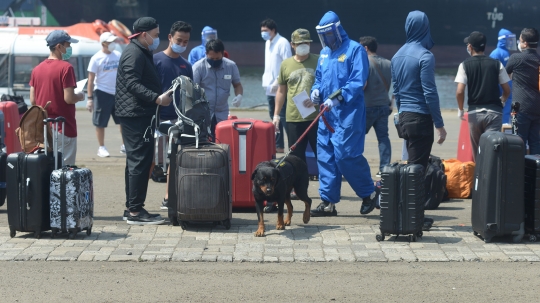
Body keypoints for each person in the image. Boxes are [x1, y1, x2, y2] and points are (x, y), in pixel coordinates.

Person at [309, 11, 380, 217]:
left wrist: (337, 98)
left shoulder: (355, 50)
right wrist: (316, 90)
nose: (327, 39)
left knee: (345, 155)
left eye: (329, 34)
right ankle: (328, 202)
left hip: (348, 114)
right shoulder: (324, 54)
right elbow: (320, 78)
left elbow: (358, 81)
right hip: (326, 114)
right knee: (325, 157)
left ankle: (369, 193)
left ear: (337, 30)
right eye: (323, 35)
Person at [115, 17, 173, 225]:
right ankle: (135, 211)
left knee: (136, 161)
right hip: (135, 114)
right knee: (140, 161)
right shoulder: (134, 52)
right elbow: (131, 83)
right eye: (156, 35)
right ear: (143, 34)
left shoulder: (139, 51)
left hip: (138, 112)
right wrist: (156, 98)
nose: (157, 39)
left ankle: (133, 207)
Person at [391, 10, 447, 171]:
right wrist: (439, 125)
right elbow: (429, 93)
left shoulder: (396, 57)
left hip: (405, 118)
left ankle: (406, 195)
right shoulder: (425, 56)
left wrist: (402, 115)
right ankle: (411, 197)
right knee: (416, 173)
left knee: (411, 168)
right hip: (420, 118)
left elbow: (397, 92)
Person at [29, 30, 85, 166]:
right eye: (68, 45)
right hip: (63, 126)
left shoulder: (37, 69)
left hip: (44, 127)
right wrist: (80, 96)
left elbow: (33, 100)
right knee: (64, 171)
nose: (69, 48)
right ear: (59, 47)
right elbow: (69, 98)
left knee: (47, 169)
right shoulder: (66, 68)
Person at [153, 21, 193, 210]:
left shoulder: (186, 65)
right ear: (169, 38)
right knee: (152, 161)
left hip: (178, 121)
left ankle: (169, 197)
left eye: (185, 42)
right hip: (157, 118)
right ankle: (137, 202)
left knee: (174, 159)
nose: (182, 44)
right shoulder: (156, 61)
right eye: (179, 40)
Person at [455, 31, 511, 161]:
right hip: (494, 113)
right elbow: (507, 90)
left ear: (470, 46)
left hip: (475, 114)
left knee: (477, 153)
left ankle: (479, 178)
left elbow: (459, 91)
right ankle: (491, 178)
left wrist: (460, 109)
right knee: (492, 151)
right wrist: (502, 101)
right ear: (484, 46)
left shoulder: (464, 65)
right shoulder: (497, 64)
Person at [193, 39, 243, 136]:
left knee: (222, 141)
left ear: (223, 54)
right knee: (204, 141)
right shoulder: (198, 67)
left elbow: (237, 85)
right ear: (206, 53)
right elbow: (192, 90)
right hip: (203, 113)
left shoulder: (231, 66)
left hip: (222, 112)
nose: (215, 61)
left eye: (218, 58)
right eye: (212, 58)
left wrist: (239, 96)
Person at [86, 32, 124, 158]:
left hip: (118, 92)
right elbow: (90, 80)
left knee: (123, 121)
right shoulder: (96, 58)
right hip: (102, 93)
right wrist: (90, 99)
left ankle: (125, 145)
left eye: (114, 41)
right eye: (110, 42)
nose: (113, 44)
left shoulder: (118, 55)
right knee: (100, 122)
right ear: (103, 44)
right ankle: (101, 147)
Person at [359, 36, 392, 177]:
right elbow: (396, 86)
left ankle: (357, 168)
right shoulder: (389, 63)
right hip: (384, 105)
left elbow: (363, 85)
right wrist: (392, 103)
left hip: (367, 107)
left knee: (358, 137)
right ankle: (384, 169)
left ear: (365, 48)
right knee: (383, 138)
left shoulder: (365, 62)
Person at [506, 27, 540, 154]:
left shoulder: (516, 58)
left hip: (520, 107)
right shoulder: (538, 59)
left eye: (520, 40)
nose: (519, 43)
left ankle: (518, 171)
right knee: (535, 142)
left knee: (518, 141)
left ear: (525, 43)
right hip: (537, 107)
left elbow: (504, 74)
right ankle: (536, 171)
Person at [261, 18, 292, 153]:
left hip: (280, 86)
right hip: (269, 86)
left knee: (283, 116)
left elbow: (287, 63)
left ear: (273, 30)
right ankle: (278, 145)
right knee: (273, 116)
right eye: (262, 31)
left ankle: (292, 143)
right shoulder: (268, 43)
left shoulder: (282, 42)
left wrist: (278, 80)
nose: (263, 33)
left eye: (265, 31)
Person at [490, 28, 517, 124]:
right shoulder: (496, 53)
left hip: (507, 87)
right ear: (503, 39)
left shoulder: (506, 53)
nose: (510, 42)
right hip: (502, 88)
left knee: (507, 110)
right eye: (509, 40)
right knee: (503, 111)